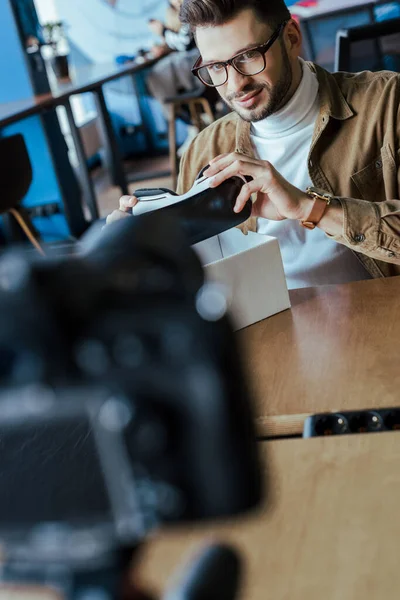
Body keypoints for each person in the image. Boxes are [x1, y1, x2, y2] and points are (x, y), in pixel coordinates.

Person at [108, 0, 400, 288]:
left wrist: (309, 208)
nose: (235, 85)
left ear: (291, 39)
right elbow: (190, 285)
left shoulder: (388, 102)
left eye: (247, 56)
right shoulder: (204, 150)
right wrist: (133, 250)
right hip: (263, 330)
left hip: (377, 322)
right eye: (215, 67)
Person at [146, 0, 204, 154]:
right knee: (158, 76)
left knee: (158, 75)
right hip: (187, 65)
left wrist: (163, 32)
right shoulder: (170, 12)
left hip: (200, 60)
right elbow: (179, 40)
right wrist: (164, 46)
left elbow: (186, 42)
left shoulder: (193, 6)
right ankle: (193, 122)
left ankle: (195, 123)